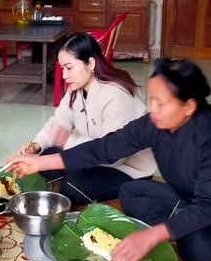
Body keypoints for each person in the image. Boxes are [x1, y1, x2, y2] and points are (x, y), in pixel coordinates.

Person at [9, 58, 211, 261]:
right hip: (191, 199)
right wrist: (40, 161)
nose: (152, 109)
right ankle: (185, 221)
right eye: (151, 100)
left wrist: (152, 235)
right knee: (130, 193)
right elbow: (106, 147)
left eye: (161, 102)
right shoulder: (156, 122)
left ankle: (199, 229)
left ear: (189, 106)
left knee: (196, 248)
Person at [18, 33, 156, 204]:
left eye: (69, 68)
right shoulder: (76, 88)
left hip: (125, 168)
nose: (64, 76)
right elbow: (58, 123)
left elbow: (113, 156)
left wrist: (67, 141)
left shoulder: (116, 95)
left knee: (72, 186)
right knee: (46, 155)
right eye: (62, 68)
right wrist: (36, 146)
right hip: (92, 156)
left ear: (90, 63)